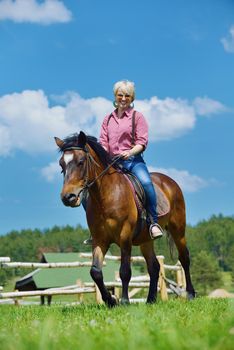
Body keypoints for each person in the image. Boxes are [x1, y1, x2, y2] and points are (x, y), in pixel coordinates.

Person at [99, 80, 164, 239]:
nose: (123, 98)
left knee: (147, 183)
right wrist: (105, 156)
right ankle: (97, 228)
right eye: (120, 95)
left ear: (132, 98)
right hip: (112, 163)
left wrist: (129, 152)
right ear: (115, 96)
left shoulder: (137, 117)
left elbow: (142, 142)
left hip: (133, 161)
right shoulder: (107, 119)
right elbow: (103, 142)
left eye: (127, 95)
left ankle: (153, 222)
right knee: (91, 187)